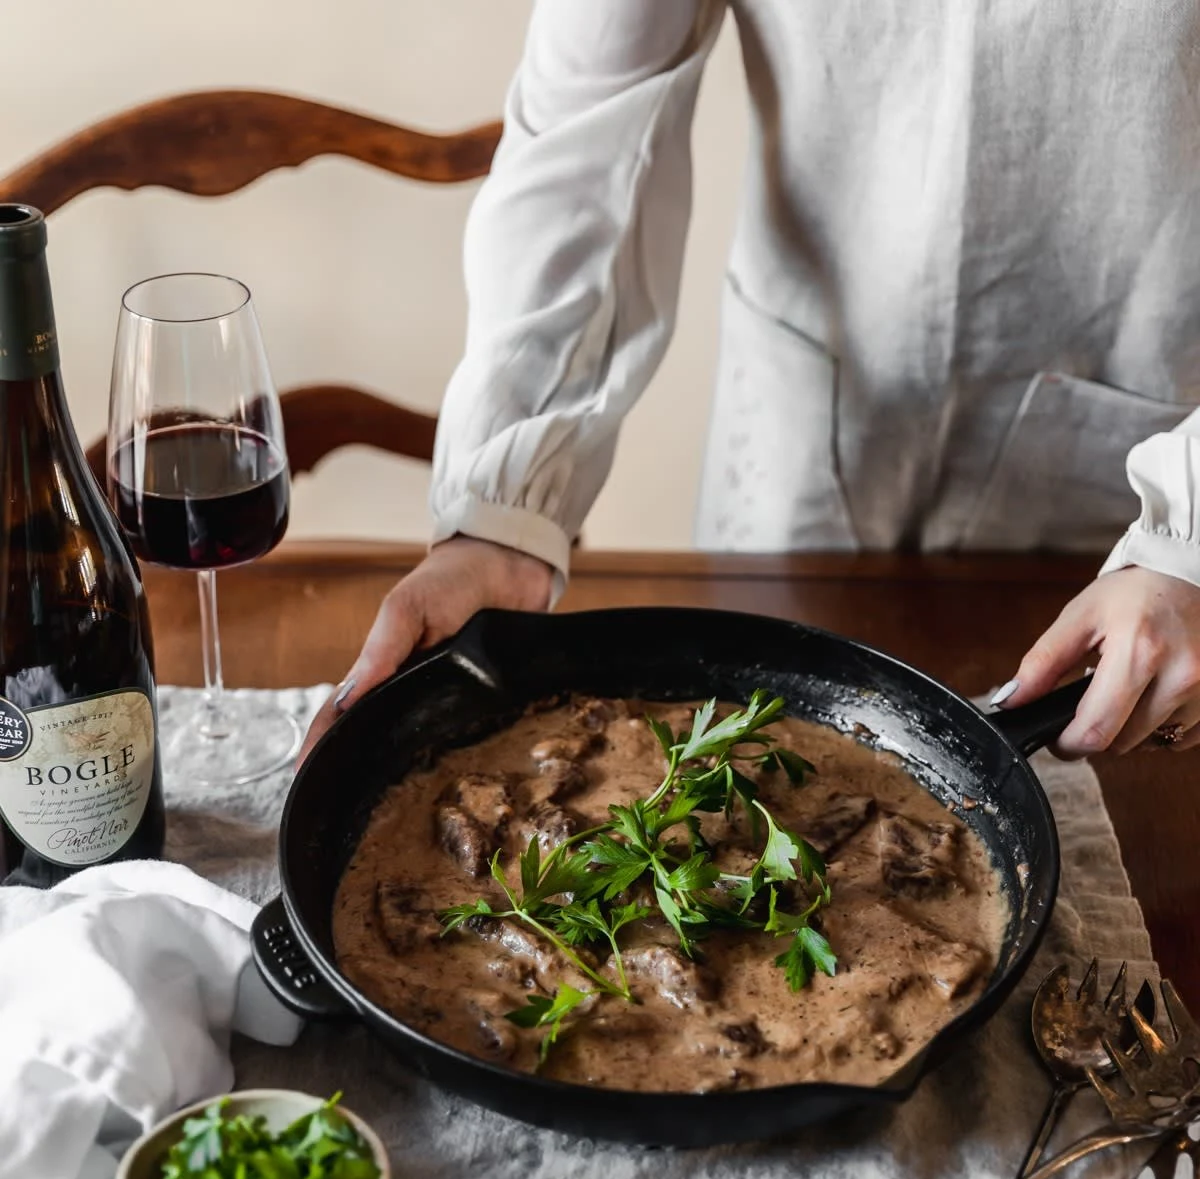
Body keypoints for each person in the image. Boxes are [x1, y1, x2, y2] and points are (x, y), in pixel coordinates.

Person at [300, 0, 1200, 762]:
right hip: (802, 431)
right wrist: (500, 511)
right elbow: (592, 116)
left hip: (1147, 508)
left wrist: (1189, 539)